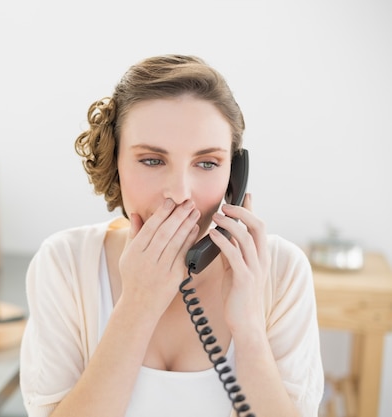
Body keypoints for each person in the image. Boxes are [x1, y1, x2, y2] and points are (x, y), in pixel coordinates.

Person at [19, 54, 324, 417]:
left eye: (207, 163)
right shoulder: (63, 264)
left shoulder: (282, 272)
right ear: (114, 161)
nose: (180, 193)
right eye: (152, 160)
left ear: (234, 175)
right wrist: (138, 305)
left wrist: (249, 330)